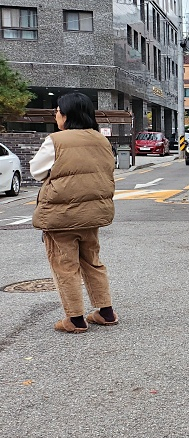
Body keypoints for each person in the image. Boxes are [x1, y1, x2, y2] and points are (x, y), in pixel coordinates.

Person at [29, 92, 119, 334]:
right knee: (92, 261)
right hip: (92, 213)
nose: (55, 114)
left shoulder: (57, 140)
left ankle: (76, 318)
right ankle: (105, 312)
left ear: (67, 115)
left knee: (65, 265)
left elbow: (37, 171)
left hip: (61, 217)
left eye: (57, 110)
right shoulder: (101, 140)